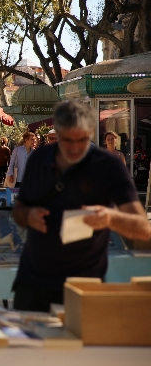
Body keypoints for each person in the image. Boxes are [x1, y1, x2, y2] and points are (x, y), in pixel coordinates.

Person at [11, 101, 151, 312]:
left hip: (84, 285)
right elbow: (19, 211)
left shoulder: (108, 165)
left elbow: (142, 228)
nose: (75, 148)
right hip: (33, 284)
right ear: (57, 133)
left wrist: (109, 218)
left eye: (82, 140)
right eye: (67, 141)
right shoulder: (39, 159)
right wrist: (28, 215)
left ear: (92, 133)